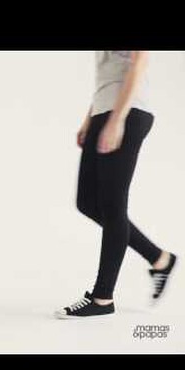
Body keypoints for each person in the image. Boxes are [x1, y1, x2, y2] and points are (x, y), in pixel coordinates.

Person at [55, 51, 178, 319]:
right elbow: (110, 73)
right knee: (87, 202)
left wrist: (118, 119)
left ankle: (102, 298)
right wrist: (90, 118)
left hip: (127, 112)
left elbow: (139, 62)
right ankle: (160, 259)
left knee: (113, 207)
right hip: (104, 111)